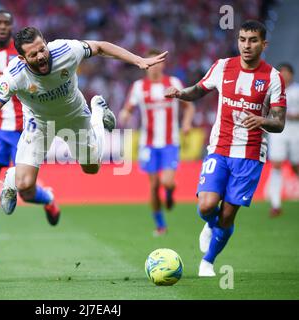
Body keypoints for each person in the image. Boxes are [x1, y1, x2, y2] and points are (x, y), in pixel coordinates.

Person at [0, 27, 167, 217]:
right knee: (24, 185)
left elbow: (99, 47)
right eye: (33, 55)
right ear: (22, 58)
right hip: (39, 123)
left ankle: (97, 111)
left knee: (92, 168)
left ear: (46, 43)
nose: (40, 56)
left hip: (74, 115)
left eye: (42, 49)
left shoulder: (66, 50)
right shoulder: (15, 75)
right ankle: (13, 178)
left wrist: (137, 59)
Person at [165, 20, 286, 277]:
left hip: (250, 155)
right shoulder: (222, 66)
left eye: (253, 40)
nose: (246, 45)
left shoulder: (273, 78)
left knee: (228, 216)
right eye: (242, 39)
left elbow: (279, 122)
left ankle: (207, 262)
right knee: (207, 206)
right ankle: (209, 225)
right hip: (219, 147)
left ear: (264, 44)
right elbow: (198, 90)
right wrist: (179, 93)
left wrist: (262, 120)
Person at [0, 11, 59, 265]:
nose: (3, 27)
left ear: (12, 28)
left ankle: (47, 198)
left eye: (7, 23)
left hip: (24, 127)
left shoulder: (23, 55)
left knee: (25, 192)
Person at [119, 48, 195, 236]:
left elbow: (189, 106)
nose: (154, 67)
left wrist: (186, 123)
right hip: (149, 143)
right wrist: (125, 115)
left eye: (157, 62)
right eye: (150, 63)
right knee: (153, 186)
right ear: (145, 66)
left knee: (167, 182)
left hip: (170, 142)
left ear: (162, 64)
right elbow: (128, 108)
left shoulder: (173, 83)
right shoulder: (138, 87)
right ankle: (160, 224)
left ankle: (169, 192)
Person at [267, 63, 299, 217]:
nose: (285, 76)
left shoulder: (297, 91)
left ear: (292, 75)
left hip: (296, 132)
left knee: (295, 166)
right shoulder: (273, 90)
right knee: (277, 164)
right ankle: (275, 204)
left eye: (287, 73)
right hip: (278, 131)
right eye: (282, 73)